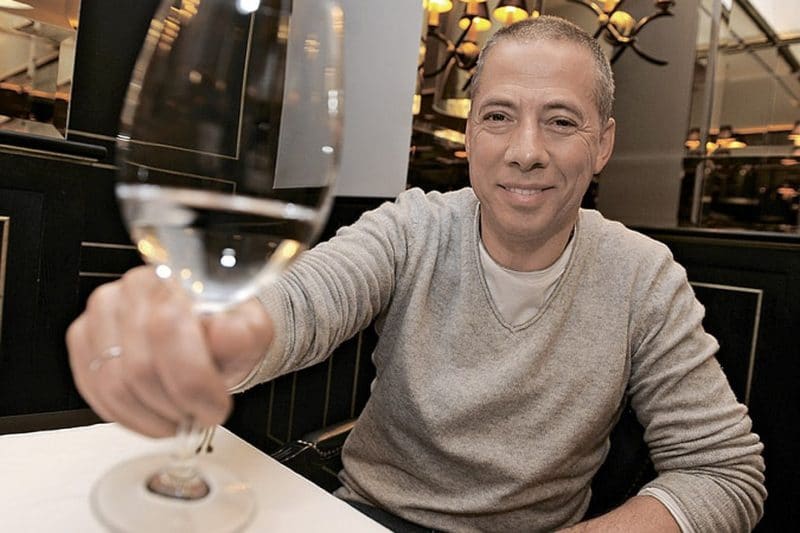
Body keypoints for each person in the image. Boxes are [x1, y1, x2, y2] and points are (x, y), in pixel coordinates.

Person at [67, 15, 766, 532]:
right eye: (499, 116)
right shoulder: (413, 227)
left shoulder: (642, 276)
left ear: (603, 144)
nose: (525, 150)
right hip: (369, 518)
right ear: (471, 135)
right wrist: (209, 337)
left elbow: (727, 472)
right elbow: (302, 302)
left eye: (560, 121)